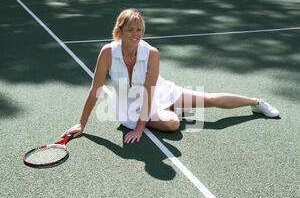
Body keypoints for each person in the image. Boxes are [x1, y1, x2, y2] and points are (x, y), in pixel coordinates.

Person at [62, 9, 280, 144]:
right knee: (173, 124)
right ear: (120, 31)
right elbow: (95, 89)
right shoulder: (108, 53)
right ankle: (170, 111)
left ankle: (256, 102)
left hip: (159, 92)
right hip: (130, 107)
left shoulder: (152, 53)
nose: (136, 35)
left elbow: (149, 91)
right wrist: (81, 124)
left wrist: (140, 128)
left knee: (210, 100)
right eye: (130, 30)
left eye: (139, 30)